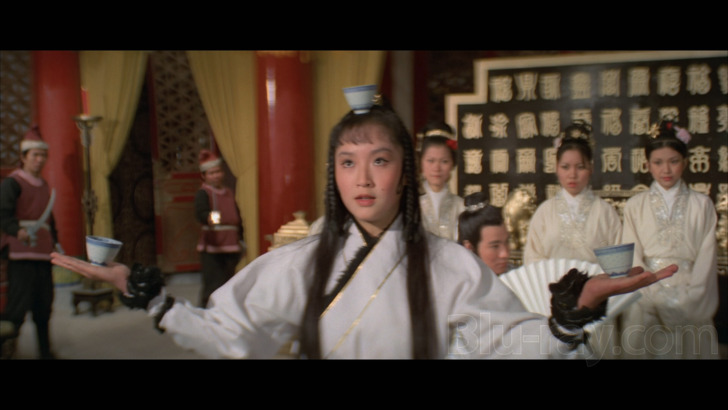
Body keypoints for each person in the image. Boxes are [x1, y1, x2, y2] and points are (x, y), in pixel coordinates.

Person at [50, 90, 677, 360]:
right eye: (348, 162)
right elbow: (233, 335)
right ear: (334, 173)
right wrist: (155, 301)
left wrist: (566, 319)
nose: (364, 178)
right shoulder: (299, 261)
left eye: (380, 160)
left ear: (405, 171)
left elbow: (502, 345)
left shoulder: (448, 264)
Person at [619, 116, 720, 359]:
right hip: (645, 296)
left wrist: (688, 301)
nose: (666, 170)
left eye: (673, 161)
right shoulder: (635, 205)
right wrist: (650, 294)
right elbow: (632, 255)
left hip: (689, 297)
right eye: (658, 162)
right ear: (647, 165)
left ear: (685, 162)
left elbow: (706, 260)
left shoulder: (702, 205)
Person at [523, 120, 622, 266]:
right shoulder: (544, 212)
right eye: (565, 167)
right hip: (552, 280)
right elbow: (533, 258)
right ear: (556, 168)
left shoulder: (605, 212)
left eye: (580, 167)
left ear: (591, 168)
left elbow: (617, 262)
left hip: (597, 280)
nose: (572, 174)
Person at [0, 125, 59, 359]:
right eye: (35, 155)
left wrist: (56, 243)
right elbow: (3, 215)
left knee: (44, 306)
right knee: (17, 307)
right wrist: (17, 231)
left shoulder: (43, 185)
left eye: (43, 155)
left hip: (43, 252)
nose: (39, 159)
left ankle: (45, 353)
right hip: (21, 253)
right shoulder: (12, 183)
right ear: (23, 157)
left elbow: (50, 220)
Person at [194, 149, 245, 307]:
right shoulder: (204, 193)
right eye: (211, 173)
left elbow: (237, 218)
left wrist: (241, 239)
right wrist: (212, 219)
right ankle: (206, 311)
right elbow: (201, 213)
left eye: (218, 172)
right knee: (213, 282)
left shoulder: (229, 192)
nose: (216, 175)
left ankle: (225, 310)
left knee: (228, 281)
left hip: (231, 243)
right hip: (213, 246)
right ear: (204, 176)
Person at [417, 121, 465, 241]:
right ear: (421, 162)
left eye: (444, 161)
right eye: (431, 161)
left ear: (452, 164)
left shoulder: (461, 206)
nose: (437, 168)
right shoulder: (411, 205)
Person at [458, 191, 514, 275]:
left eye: (507, 242)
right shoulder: (455, 281)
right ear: (469, 248)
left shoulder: (516, 276)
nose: (505, 254)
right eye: (495, 246)